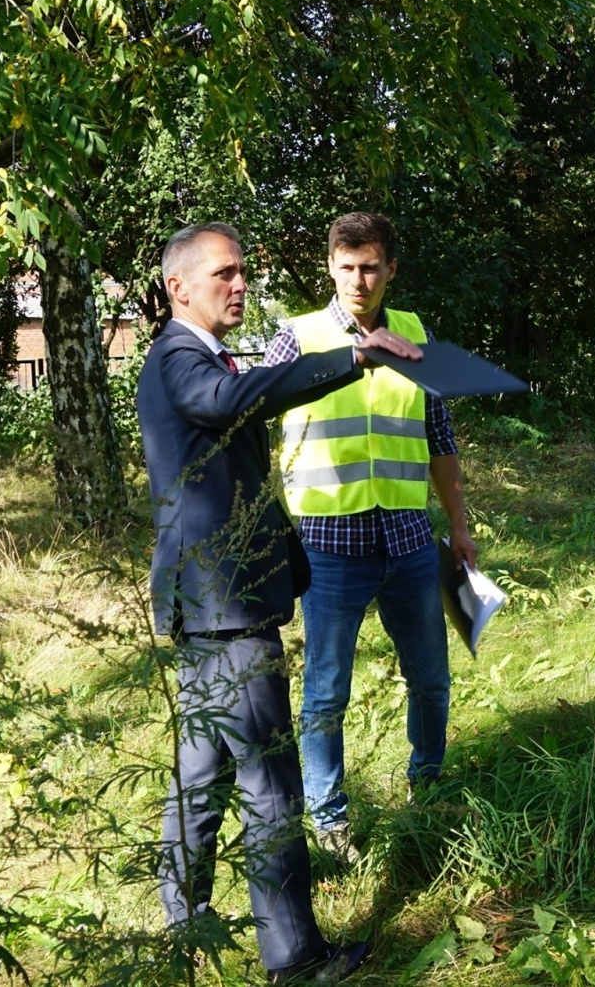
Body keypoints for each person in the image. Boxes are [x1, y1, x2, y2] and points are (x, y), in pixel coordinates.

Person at [137, 221, 421, 983]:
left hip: (214, 608)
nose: (240, 285)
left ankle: (183, 929)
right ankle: (295, 960)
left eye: (243, 273)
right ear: (179, 287)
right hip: (225, 610)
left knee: (202, 777)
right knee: (269, 788)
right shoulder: (179, 358)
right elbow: (234, 398)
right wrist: (352, 354)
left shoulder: (201, 357)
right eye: (224, 273)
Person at [266, 211, 476, 857]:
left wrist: (460, 529)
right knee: (326, 693)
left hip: (410, 543)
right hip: (330, 549)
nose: (359, 280)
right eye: (347, 266)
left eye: (372, 267)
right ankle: (330, 823)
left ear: (391, 269)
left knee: (432, 680)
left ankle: (429, 787)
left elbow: (438, 437)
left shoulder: (414, 335)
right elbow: (251, 412)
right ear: (330, 266)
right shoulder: (294, 338)